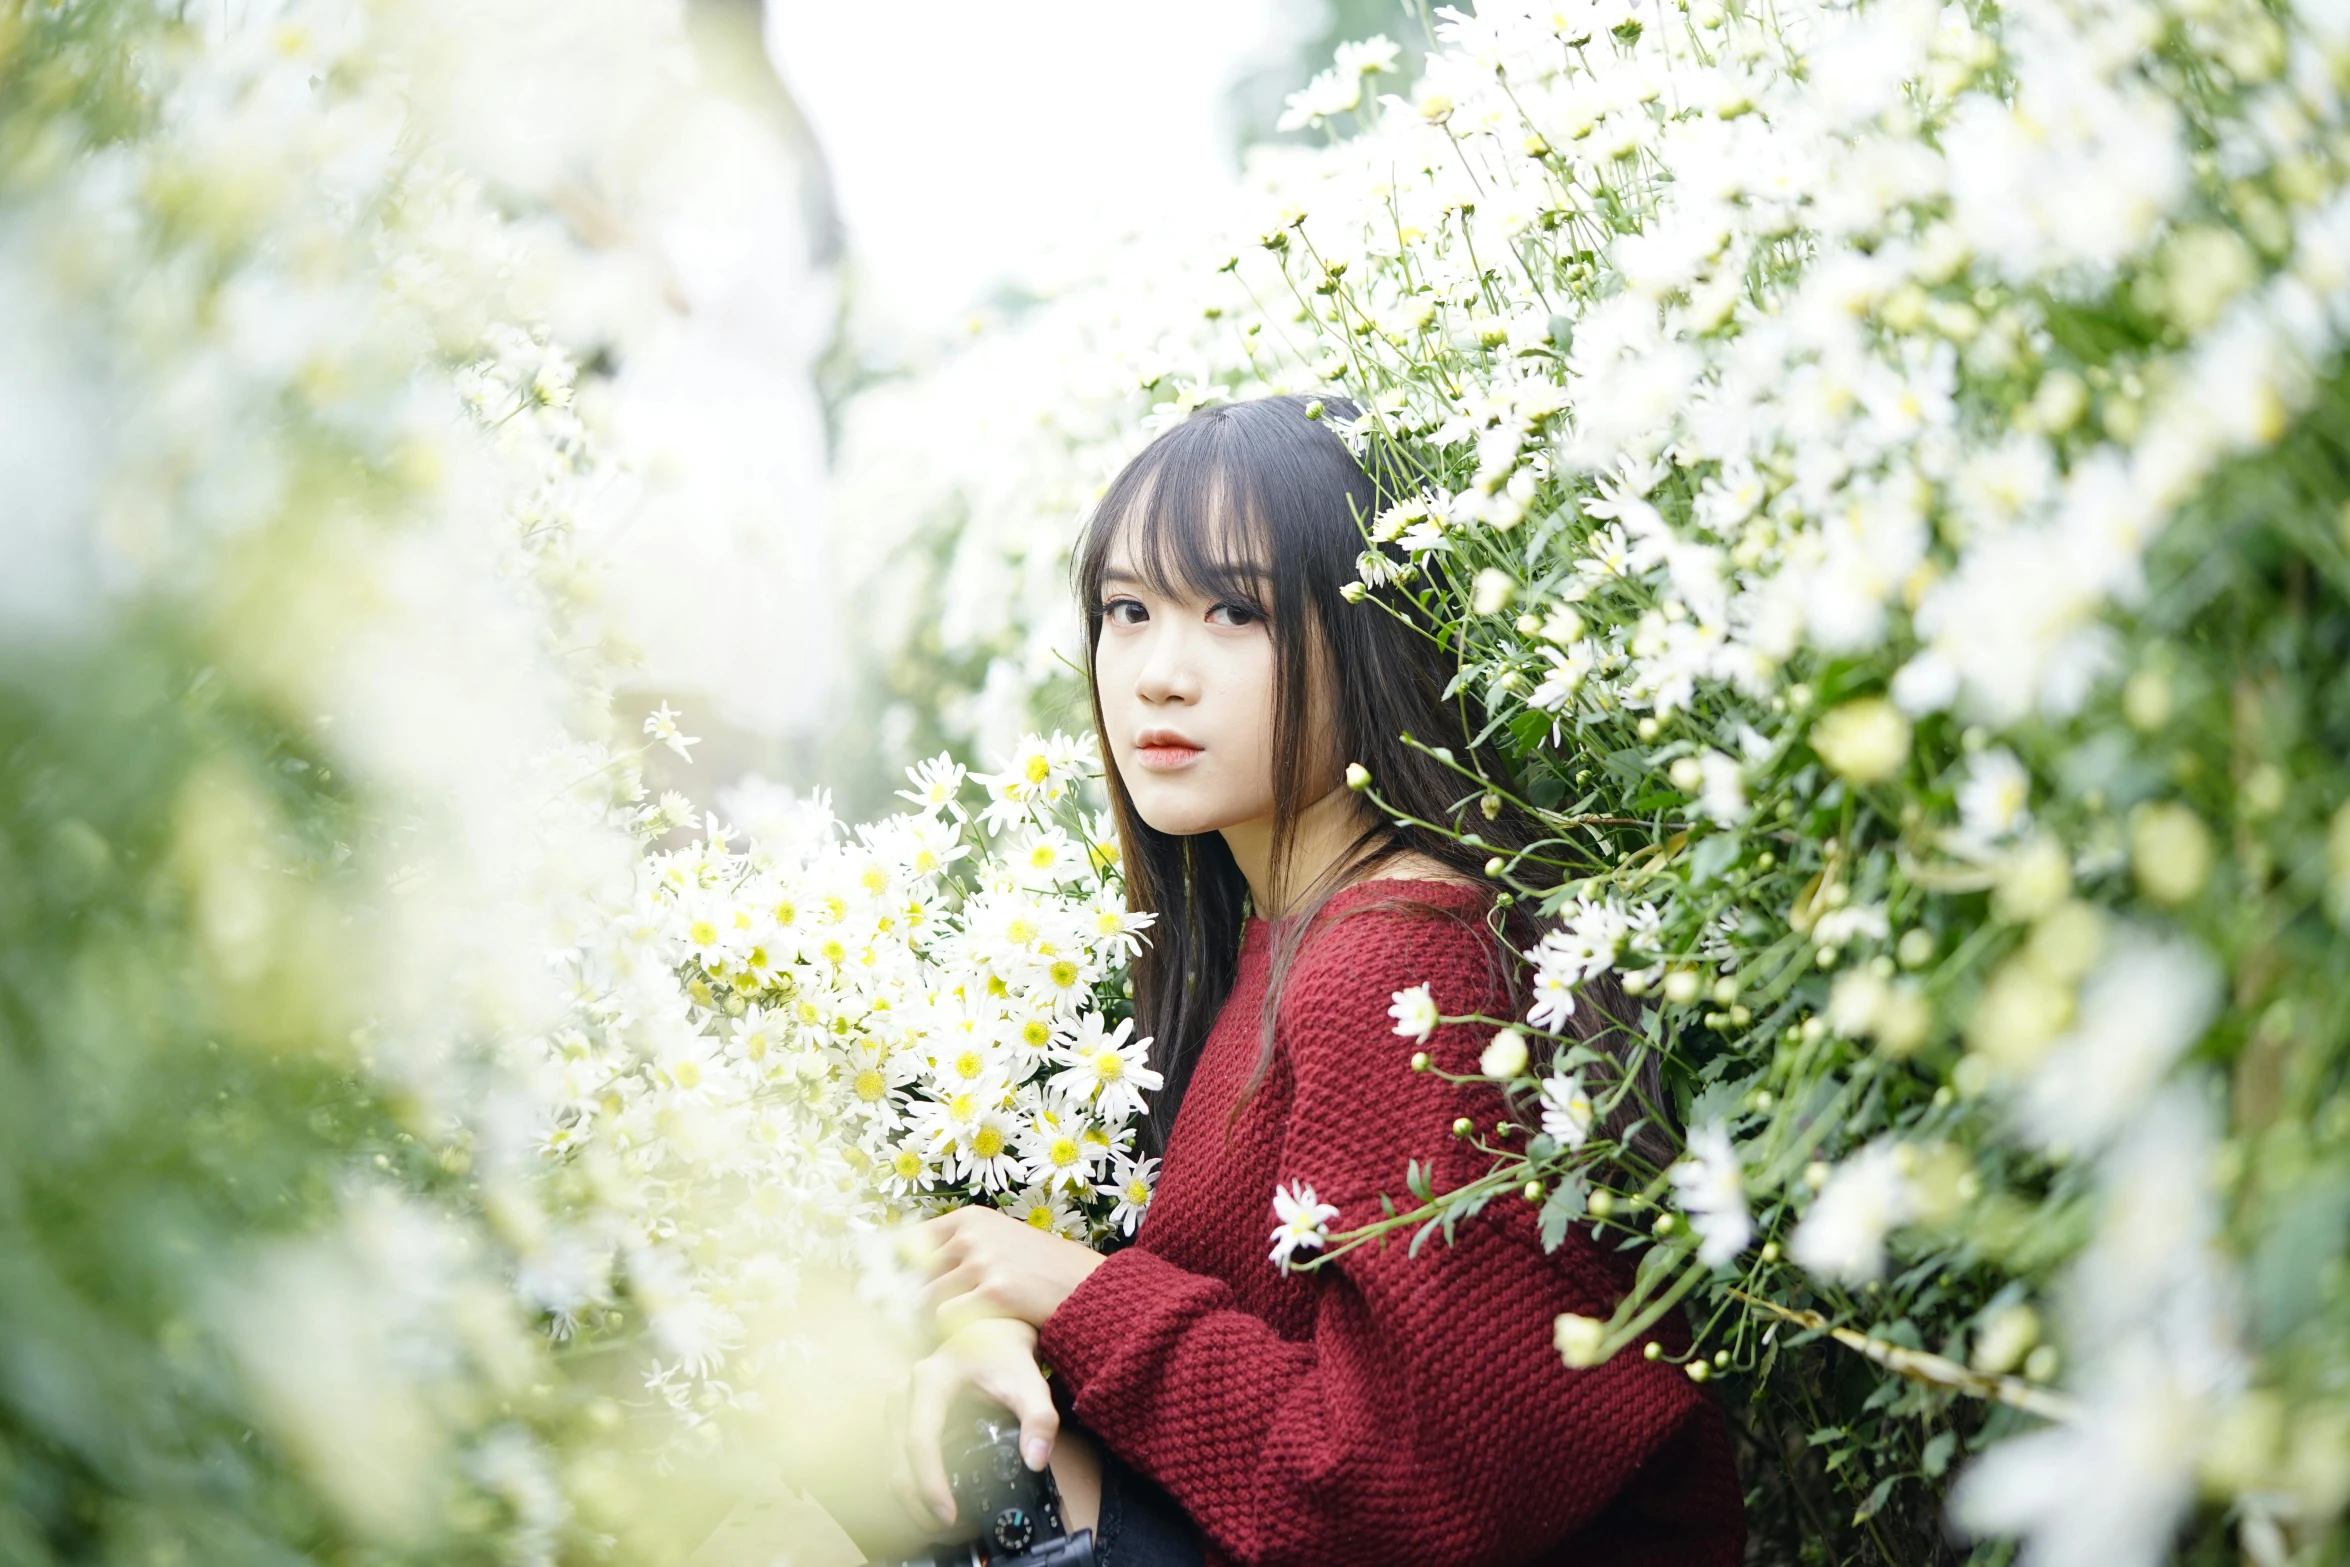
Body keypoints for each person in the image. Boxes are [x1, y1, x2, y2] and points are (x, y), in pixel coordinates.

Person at [896, 395, 1746, 1566]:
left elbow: (1397, 1495)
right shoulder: (1292, 939)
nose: (1157, 674)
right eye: (1127, 611)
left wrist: (1084, 1298)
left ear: (1369, 632)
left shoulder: (1400, 956)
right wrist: (1011, 1331)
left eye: (1233, 610)